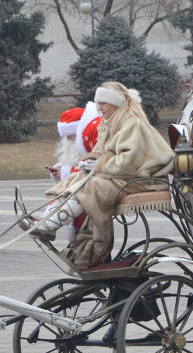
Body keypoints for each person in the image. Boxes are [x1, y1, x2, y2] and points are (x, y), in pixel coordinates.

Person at [24, 81, 173, 268]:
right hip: (125, 177)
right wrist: (89, 162)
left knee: (91, 185)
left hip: (143, 179)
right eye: (98, 103)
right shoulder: (110, 123)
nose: (99, 108)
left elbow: (128, 161)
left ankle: (50, 225)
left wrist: (98, 164)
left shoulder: (131, 122)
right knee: (77, 178)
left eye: (103, 103)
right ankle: (49, 223)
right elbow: (100, 152)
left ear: (116, 102)